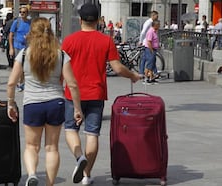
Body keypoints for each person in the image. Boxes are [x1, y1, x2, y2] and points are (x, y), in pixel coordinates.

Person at [61, 3, 141, 185]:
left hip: (72, 94)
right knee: (92, 134)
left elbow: (61, 68)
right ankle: (87, 176)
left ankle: (79, 156)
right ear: (98, 21)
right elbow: (118, 68)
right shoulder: (106, 41)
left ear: (80, 20)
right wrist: (133, 76)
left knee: (71, 129)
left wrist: (59, 86)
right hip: (96, 93)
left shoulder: (69, 41)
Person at [7, 17, 83, 186]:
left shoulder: (24, 54)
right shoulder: (61, 55)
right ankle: (49, 183)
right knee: (52, 148)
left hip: (32, 104)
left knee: (31, 146)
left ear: (31, 34)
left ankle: (32, 174)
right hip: (55, 103)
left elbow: (11, 82)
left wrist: (11, 103)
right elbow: (72, 84)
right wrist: (77, 108)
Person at [9, 6, 31, 92]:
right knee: (18, 66)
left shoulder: (30, 23)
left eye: (24, 12)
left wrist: (29, 37)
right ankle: (19, 83)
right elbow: (11, 35)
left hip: (27, 47)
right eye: (21, 12)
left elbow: (33, 34)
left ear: (27, 13)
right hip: (17, 46)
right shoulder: (16, 22)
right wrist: (11, 48)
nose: (22, 14)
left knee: (24, 66)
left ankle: (21, 83)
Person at [139, 11, 158, 76]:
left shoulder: (151, 22)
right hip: (147, 42)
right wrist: (141, 41)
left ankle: (143, 72)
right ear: (153, 15)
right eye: (156, 16)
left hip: (148, 41)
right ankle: (150, 73)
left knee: (145, 58)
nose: (157, 17)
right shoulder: (148, 22)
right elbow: (143, 32)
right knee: (150, 58)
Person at [143, 20, 161, 84]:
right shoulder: (151, 31)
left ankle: (151, 77)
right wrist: (151, 50)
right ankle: (146, 78)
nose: (159, 26)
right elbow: (149, 42)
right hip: (150, 49)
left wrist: (158, 46)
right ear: (155, 25)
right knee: (149, 64)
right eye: (158, 25)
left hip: (153, 49)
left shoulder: (155, 31)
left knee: (152, 64)